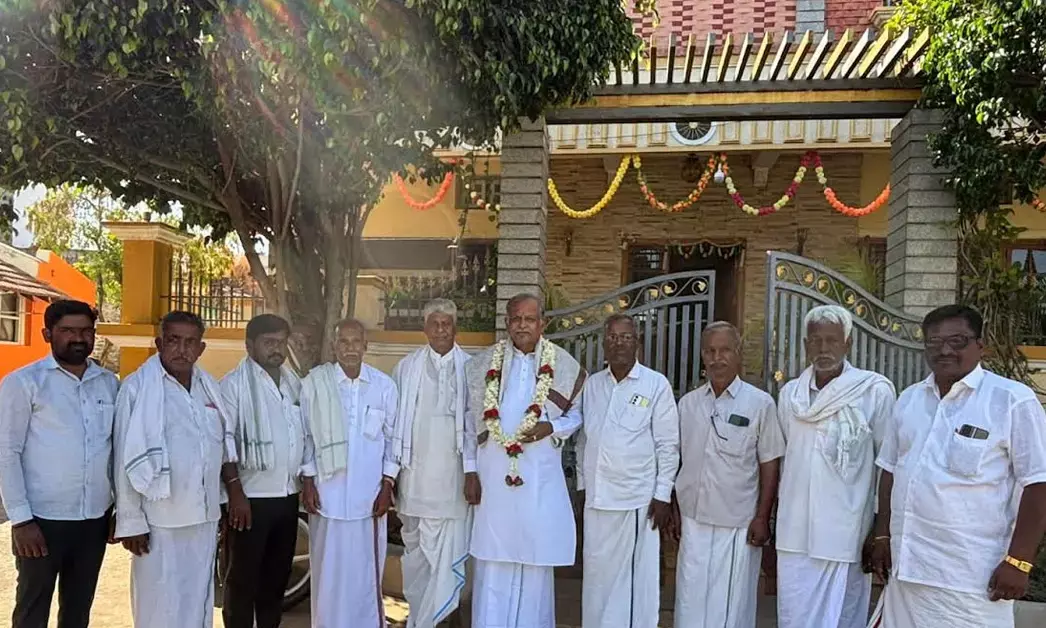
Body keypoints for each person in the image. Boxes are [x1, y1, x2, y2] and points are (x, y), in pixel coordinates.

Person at [870, 305, 1046, 627]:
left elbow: (1038, 483)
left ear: (980, 345)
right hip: (907, 573)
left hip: (970, 580)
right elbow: (891, 469)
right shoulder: (909, 399)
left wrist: (1019, 561)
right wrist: (882, 536)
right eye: (934, 342)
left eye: (957, 341)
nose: (945, 350)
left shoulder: (1011, 400)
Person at [466, 293, 586, 628]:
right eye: (516, 319)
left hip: (538, 477)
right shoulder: (481, 365)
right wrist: (470, 470)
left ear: (542, 324)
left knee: (535, 557)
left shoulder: (562, 364)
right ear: (507, 323)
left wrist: (551, 427)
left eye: (529, 319)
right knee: (493, 558)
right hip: (493, 477)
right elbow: (467, 424)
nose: (522, 325)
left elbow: (579, 414)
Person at [113, 310, 239, 628]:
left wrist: (225, 501)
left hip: (204, 516)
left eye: (190, 342)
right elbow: (123, 459)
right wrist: (131, 521)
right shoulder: (137, 389)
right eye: (173, 340)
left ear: (201, 348)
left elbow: (219, 448)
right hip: (159, 519)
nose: (182, 350)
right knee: (159, 602)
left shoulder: (209, 388)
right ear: (159, 344)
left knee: (196, 599)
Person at [775, 305, 895, 628]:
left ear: (848, 344)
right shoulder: (790, 395)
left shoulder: (873, 391)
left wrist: (880, 528)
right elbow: (788, 456)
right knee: (794, 614)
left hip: (846, 531)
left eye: (832, 340)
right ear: (806, 345)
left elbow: (887, 464)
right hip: (794, 531)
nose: (823, 348)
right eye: (816, 340)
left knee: (842, 615)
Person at [0, 300, 118, 628]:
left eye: (86, 331)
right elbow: (6, 453)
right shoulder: (23, 383)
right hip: (41, 521)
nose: (78, 338)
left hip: (94, 519)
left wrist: (118, 510)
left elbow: (116, 450)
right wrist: (21, 520)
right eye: (67, 330)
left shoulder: (109, 384)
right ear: (47, 334)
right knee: (32, 610)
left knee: (78, 611)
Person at [673, 322, 785, 628]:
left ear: (738, 353)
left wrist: (763, 517)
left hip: (737, 523)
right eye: (710, 351)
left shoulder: (760, 403)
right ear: (702, 355)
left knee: (731, 608)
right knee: (690, 600)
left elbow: (770, 464)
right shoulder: (688, 404)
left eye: (724, 350)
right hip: (693, 519)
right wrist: (674, 507)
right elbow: (676, 458)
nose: (717, 358)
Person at [577, 314, 679, 628]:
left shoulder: (655, 384)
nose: (619, 343)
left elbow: (668, 445)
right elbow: (584, 440)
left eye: (626, 337)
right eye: (612, 337)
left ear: (637, 343)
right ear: (604, 343)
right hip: (597, 501)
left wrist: (662, 495)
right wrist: (583, 486)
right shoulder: (592, 385)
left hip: (637, 503)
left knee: (635, 583)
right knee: (597, 578)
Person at [386, 299, 479, 628]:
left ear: (455, 328)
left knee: (449, 561)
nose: (441, 330)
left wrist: (472, 472)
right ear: (424, 328)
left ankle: (444, 619)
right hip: (415, 483)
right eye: (435, 324)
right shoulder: (406, 368)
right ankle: (422, 620)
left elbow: (475, 427)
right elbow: (394, 426)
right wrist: (390, 476)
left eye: (446, 324)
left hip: (453, 486)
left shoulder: (472, 368)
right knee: (418, 561)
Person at [300, 318, 397, 628]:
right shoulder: (315, 384)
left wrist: (387, 485)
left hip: (368, 500)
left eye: (356, 342)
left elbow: (393, 440)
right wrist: (308, 481)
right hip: (326, 497)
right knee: (327, 572)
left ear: (366, 346)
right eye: (344, 342)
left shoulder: (383, 386)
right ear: (334, 346)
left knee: (365, 573)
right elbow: (306, 436)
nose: (350, 348)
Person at [219, 314, 311, 628]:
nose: (277, 349)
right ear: (249, 346)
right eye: (269, 342)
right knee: (243, 581)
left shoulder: (293, 383)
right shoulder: (233, 386)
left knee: (276, 579)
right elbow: (224, 441)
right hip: (250, 500)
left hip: (287, 497)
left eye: (281, 342)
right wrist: (235, 491)